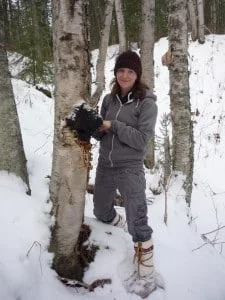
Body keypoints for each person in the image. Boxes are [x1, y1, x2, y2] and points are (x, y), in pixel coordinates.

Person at [93, 50, 158, 293]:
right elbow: (102, 129)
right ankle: (116, 224)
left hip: (129, 168)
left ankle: (147, 273)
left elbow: (142, 140)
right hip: (105, 164)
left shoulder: (147, 104)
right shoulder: (109, 100)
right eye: (121, 70)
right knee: (100, 210)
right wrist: (93, 128)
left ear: (137, 74)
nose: (124, 75)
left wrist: (114, 125)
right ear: (115, 73)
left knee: (138, 221)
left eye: (130, 71)